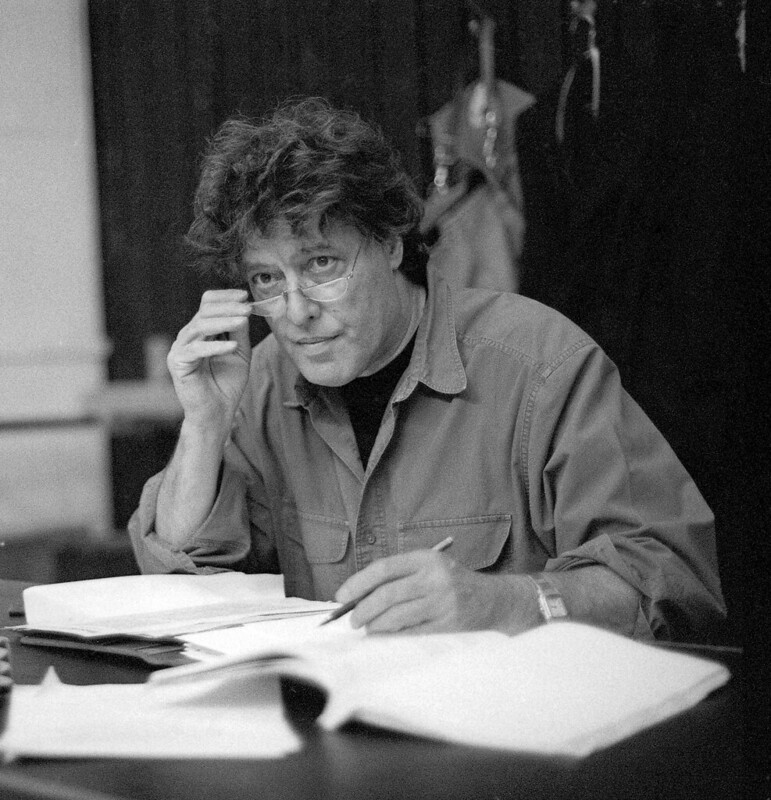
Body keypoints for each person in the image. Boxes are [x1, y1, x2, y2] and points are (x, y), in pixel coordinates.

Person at [128, 97, 725, 642]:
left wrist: (506, 603)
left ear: (391, 244)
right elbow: (181, 580)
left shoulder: (540, 365)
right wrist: (203, 425)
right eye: (267, 279)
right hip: (338, 717)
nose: (296, 311)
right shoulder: (263, 379)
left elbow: (670, 579)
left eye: (322, 264)